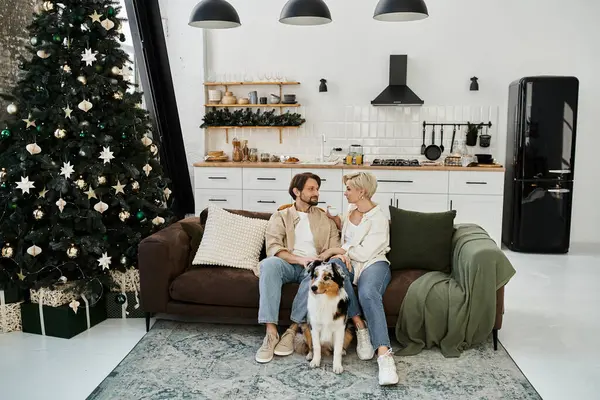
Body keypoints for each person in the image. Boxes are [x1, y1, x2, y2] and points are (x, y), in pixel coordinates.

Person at [255, 172, 374, 364]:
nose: (316, 193)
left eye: (317, 189)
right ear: (296, 191)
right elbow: (274, 247)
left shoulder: (323, 218)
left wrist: (338, 254)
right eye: (311, 189)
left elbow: (336, 243)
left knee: (315, 273)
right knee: (268, 265)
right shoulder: (281, 215)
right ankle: (270, 334)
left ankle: (292, 330)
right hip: (288, 262)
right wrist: (297, 259)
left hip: (314, 264)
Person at [296, 171, 398, 385]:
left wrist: (338, 249)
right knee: (337, 272)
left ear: (362, 192)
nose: (345, 193)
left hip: (372, 262)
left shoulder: (379, 219)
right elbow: (351, 232)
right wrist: (337, 220)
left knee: (368, 293)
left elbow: (363, 252)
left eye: (349, 189)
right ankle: (359, 326)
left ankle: (384, 355)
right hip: (350, 260)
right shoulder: (352, 209)